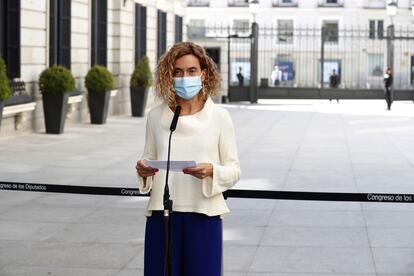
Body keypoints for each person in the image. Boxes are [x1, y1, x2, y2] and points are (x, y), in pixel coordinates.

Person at [135, 42, 241, 276]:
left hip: (204, 216)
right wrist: (143, 169)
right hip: (161, 216)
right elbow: (149, 157)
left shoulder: (220, 117)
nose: (185, 77)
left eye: (191, 71)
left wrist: (212, 170)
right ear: (170, 76)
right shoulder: (156, 116)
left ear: (203, 73)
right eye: (178, 72)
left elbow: (234, 170)